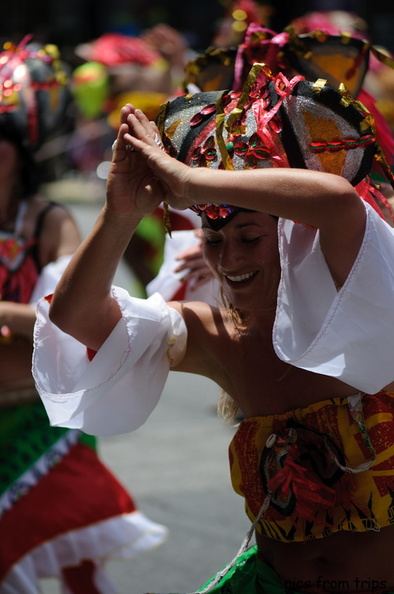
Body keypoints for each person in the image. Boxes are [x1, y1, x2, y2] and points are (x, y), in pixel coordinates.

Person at [32, 61, 394, 593]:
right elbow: (75, 318)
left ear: (292, 236)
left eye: (250, 237)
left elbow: (339, 203)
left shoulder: (362, 311)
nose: (229, 259)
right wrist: (120, 213)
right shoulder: (216, 335)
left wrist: (186, 179)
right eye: (214, 239)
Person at [0, 37, 167, 594]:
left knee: (77, 566)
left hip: (35, 419)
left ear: (19, 152)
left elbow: (65, 317)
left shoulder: (45, 222)